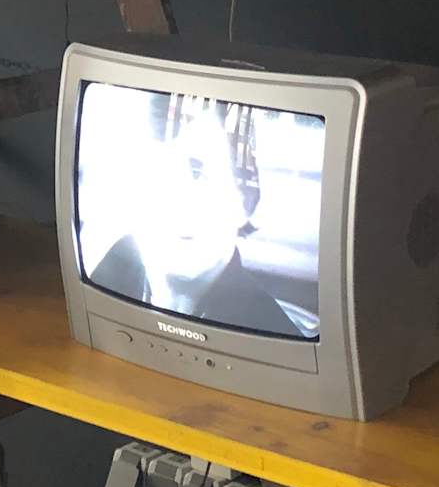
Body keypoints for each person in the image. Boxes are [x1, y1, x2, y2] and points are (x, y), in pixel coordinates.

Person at [86, 101, 308, 336]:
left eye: (197, 174)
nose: (174, 199)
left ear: (246, 201)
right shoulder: (118, 261)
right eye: (157, 169)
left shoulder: (270, 332)